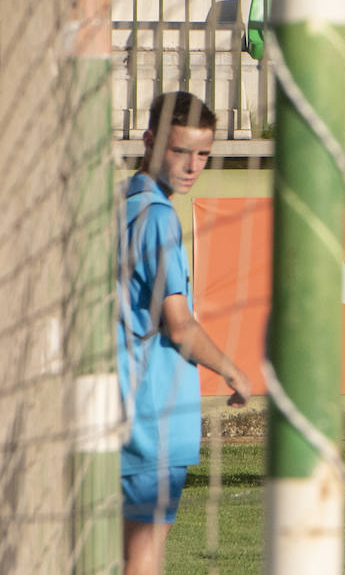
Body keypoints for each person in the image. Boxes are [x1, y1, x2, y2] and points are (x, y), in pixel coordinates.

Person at [118, 92, 251, 574]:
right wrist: (233, 371)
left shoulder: (122, 205)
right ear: (150, 141)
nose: (192, 165)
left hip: (119, 404)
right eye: (180, 151)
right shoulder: (158, 218)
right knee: (143, 555)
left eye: (203, 153)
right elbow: (179, 325)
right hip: (153, 412)